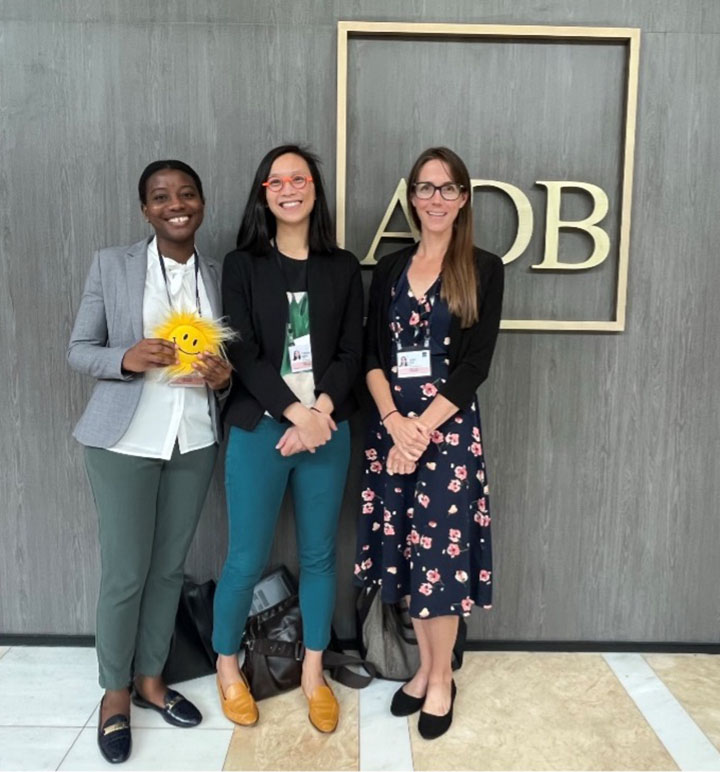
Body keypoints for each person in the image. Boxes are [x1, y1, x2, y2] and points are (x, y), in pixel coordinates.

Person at [67, 160, 231, 764]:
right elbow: (78, 350)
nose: (176, 204)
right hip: (123, 443)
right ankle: (114, 694)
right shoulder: (113, 264)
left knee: (168, 571)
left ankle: (151, 681)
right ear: (145, 210)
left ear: (202, 203)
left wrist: (222, 378)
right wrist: (128, 358)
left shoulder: (219, 273)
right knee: (126, 573)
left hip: (193, 441)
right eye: (161, 197)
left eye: (187, 193)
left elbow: (231, 365)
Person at [354, 147, 504, 740]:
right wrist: (394, 421)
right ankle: (425, 669)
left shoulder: (483, 268)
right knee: (410, 559)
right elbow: (371, 356)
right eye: (425, 187)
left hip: (448, 437)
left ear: (463, 198)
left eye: (447, 188)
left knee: (439, 561)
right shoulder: (390, 269)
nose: (435, 198)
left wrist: (421, 431)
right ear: (411, 197)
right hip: (390, 433)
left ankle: (439, 678)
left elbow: (475, 365)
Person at [213, 145, 363, 733]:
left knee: (322, 556)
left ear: (314, 191)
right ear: (263, 193)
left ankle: (313, 673)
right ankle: (228, 668)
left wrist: (319, 412)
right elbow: (241, 351)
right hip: (262, 428)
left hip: (329, 427)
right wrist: (294, 414)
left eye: (299, 178)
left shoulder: (343, 266)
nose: (289, 188)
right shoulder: (242, 264)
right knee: (245, 558)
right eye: (276, 180)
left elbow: (353, 349)